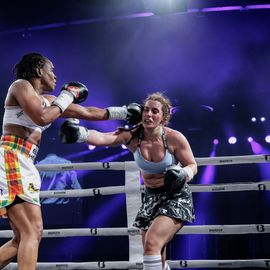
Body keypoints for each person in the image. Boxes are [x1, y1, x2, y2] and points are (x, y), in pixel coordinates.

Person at [0, 52, 142, 270]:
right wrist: (66, 96)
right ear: (39, 70)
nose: (55, 76)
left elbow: (87, 111)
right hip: (13, 158)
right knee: (31, 232)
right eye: (52, 70)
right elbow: (42, 118)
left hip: (24, 162)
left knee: (25, 237)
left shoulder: (49, 101)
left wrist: (124, 112)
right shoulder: (20, 86)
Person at [60, 92, 198, 270]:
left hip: (175, 197)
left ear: (164, 116)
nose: (148, 114)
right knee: (155, 253)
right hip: (150, 198)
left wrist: (183, 173)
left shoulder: (174, 138)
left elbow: (193, 165)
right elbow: (105, 138)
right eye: (146, 110)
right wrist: (80, 133)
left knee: (152, 243)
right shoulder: (133, 136)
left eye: (154, 111)